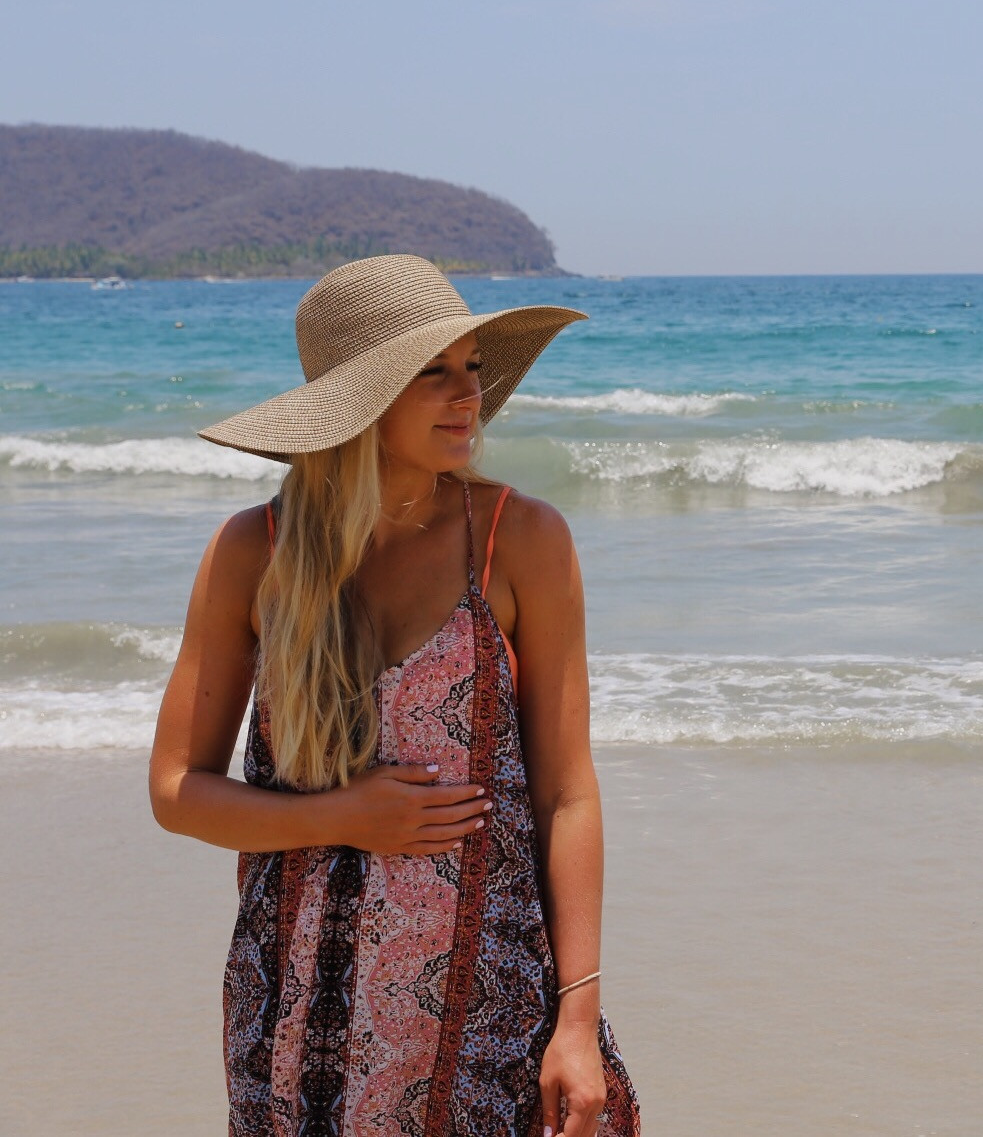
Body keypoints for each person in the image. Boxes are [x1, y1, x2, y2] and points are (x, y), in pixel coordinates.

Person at [148, 255, 640, 1137]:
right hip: (297, 1002)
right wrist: (342, 816)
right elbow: (177, 791)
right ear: (362, 399)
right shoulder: (252, 552)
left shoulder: (517, 539)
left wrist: (575, 1019)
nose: (468, 397)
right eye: (433, 373)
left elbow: (568, 793)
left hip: (491, 997)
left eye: (473, 370)